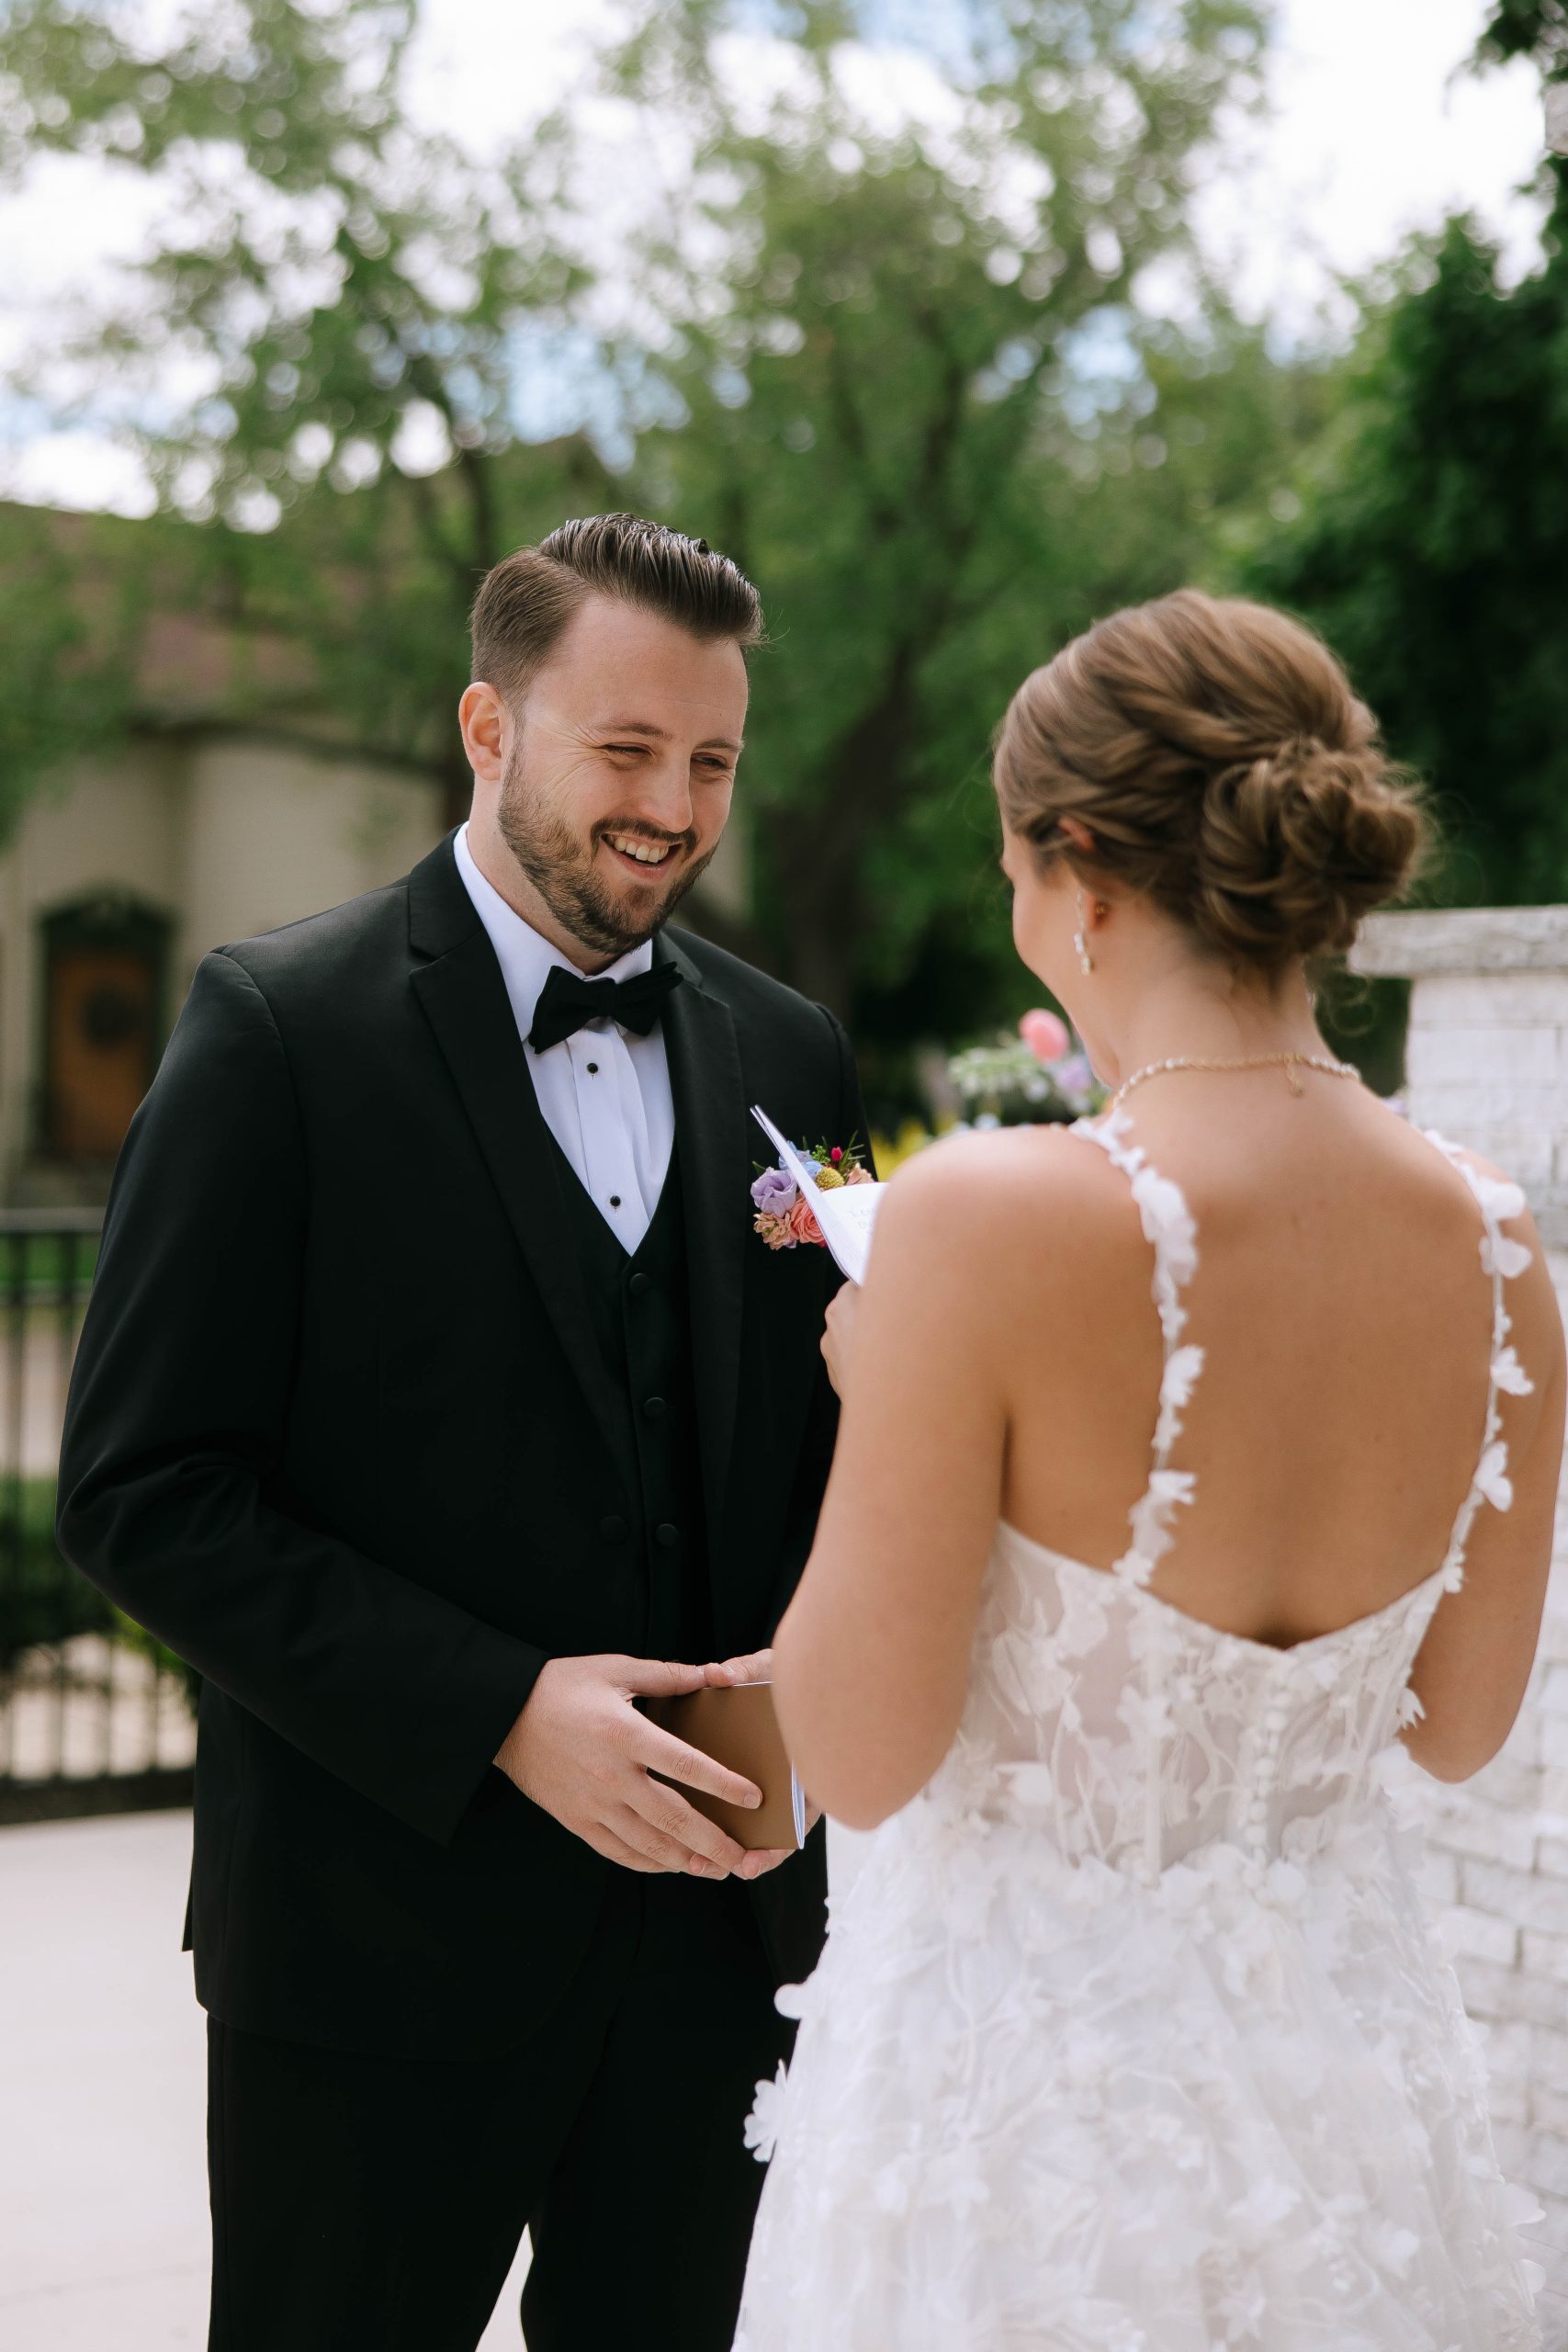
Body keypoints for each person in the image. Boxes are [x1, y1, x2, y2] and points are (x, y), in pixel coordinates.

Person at [58, 514, 865, 2352]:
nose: (674, 804)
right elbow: (140, 1489)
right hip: (370, 1949)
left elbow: (834, 1430)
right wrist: (497, 1705)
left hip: (717, 1953)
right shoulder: (272, 1028)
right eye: (626, 749)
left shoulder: (795, 1056)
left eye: (714, 758)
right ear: (487, 731)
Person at [734, 590, 1562, 2349]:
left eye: (1013, 865)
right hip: (1345, 2109)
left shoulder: (981, 1217)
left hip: (1014, 2121)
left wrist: (881, 1392)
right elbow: (1464, 1728)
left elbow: (860, 1755)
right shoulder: (1499, 1247)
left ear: (1082, 867)